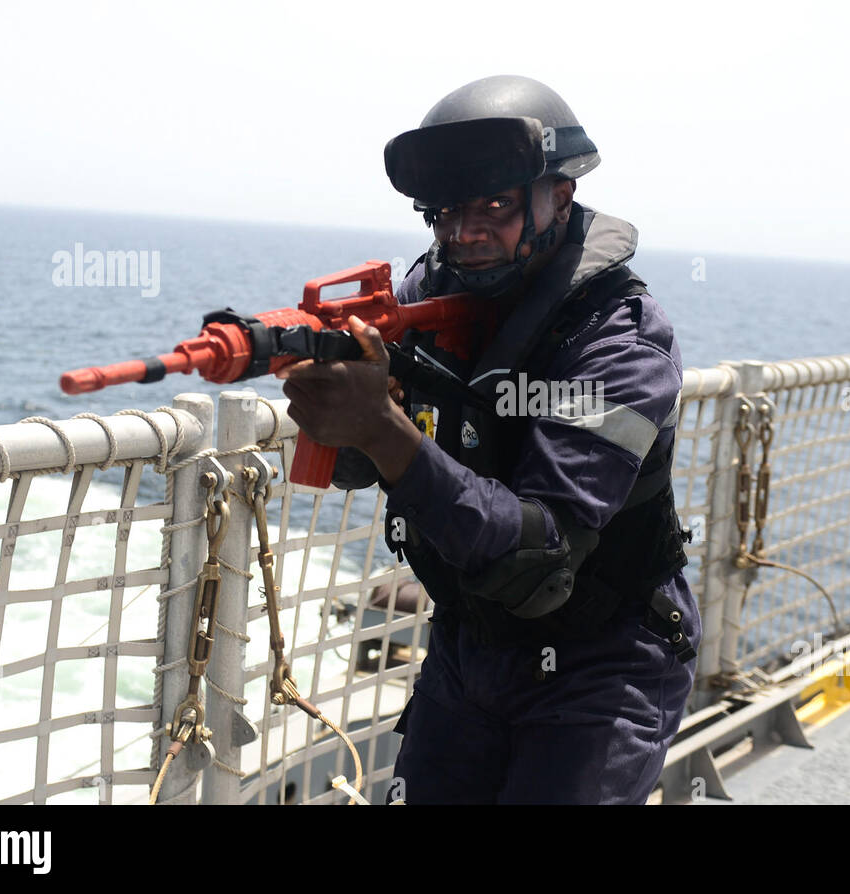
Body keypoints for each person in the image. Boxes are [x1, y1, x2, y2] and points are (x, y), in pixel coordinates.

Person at [279, 75, 701, 804]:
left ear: (558, 197)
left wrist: (383, 426)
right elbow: (354, 466)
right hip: (467, 651)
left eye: (495, 206)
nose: (464, 232)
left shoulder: (618, 343)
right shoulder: (426, 299)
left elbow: (539, 560)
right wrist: (342, 407)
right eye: (444, 212)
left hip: (601, 661)